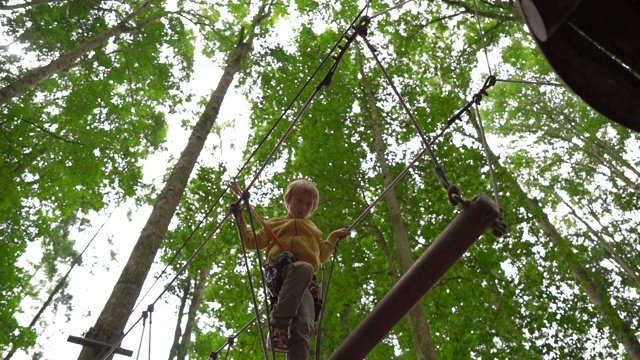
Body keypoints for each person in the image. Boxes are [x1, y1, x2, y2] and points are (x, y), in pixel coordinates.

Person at [231, 179, 350, 359]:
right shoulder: (275, 224)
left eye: (309, 204)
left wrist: (332, 237)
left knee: (305, 326)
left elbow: (322, 255)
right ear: (288, 200)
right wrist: (240, 217)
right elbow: (250, 242)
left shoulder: (314, 230)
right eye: (299, 200)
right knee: (304, 268)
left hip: (306, 283)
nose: (303, 206)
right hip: (282, 271)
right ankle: (278, 326)